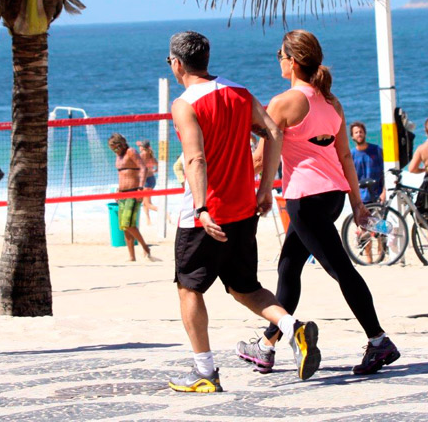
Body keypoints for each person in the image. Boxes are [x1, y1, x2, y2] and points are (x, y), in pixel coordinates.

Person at [238, 30, 399, 377]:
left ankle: (378, 339)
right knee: (288, 267)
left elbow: (259, 159)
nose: (278, 60)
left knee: (340, 269)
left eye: (279, 54)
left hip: (304, 200)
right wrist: (357, 204)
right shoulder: (331, 102)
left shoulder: (284, 102)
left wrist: (225, 174)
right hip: (333, 198)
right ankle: (267, 347)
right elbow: (343, 155)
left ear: (293, 61)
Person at [166, 31, 320, 393]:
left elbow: (195, 158)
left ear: (176, 63)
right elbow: (273, 133)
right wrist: (265, 188)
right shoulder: (239, 92)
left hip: (206, 214)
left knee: (189, 289)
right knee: (244, 287)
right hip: (243, 208)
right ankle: (293, 327)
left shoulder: (185, 103)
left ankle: (204, 371)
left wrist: (202, 207)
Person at [108, 133, 157, 262]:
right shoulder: (118, 156)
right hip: (122, 192)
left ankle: (145, 247)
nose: (114, 150)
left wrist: (140, 188)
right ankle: (132, 256)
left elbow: (143, 168)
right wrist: (118, 191)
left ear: (122, 144)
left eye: (116, 147)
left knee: (128, 224)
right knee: (124, 227)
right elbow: (122, 175)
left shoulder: (131, 152)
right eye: (112, 147)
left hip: (133, 191)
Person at [350, 122, 385, 204]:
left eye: (361, 132)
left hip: (378, 196)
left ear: (365, 133)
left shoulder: (377, 150)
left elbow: (385, 173)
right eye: (356, 132)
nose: (359, 134)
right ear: (352, 136)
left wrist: (384, 192)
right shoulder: (351, 155)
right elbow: (350, 179)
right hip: (361, 199)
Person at [136, 139, 159, 225]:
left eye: (140, 146)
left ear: (143, 147)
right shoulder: (150, 155)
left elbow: (136, 163)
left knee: (148, 203)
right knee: (145, 203)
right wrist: (155, 170)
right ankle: (148, 221)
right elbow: (158, 164)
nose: (139, 147)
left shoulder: (141, 155)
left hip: (146, 181)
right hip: (152, 179)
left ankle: (164, 213)